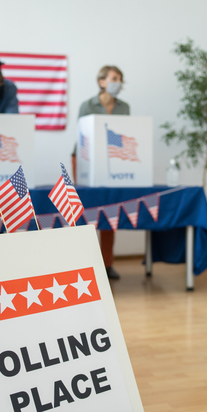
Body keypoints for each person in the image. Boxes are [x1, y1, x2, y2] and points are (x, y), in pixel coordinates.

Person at [77, 65, 129, 280]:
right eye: (114, 78)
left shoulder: (124, 107)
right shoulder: (87, 105)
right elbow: (81, 138)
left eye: (120, 78)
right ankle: (85, 264)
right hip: (87, 161)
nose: (118, 82)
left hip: (112, 164)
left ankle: (107, 264)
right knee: (84, 213)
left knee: (109, 214)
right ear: (102, 82)